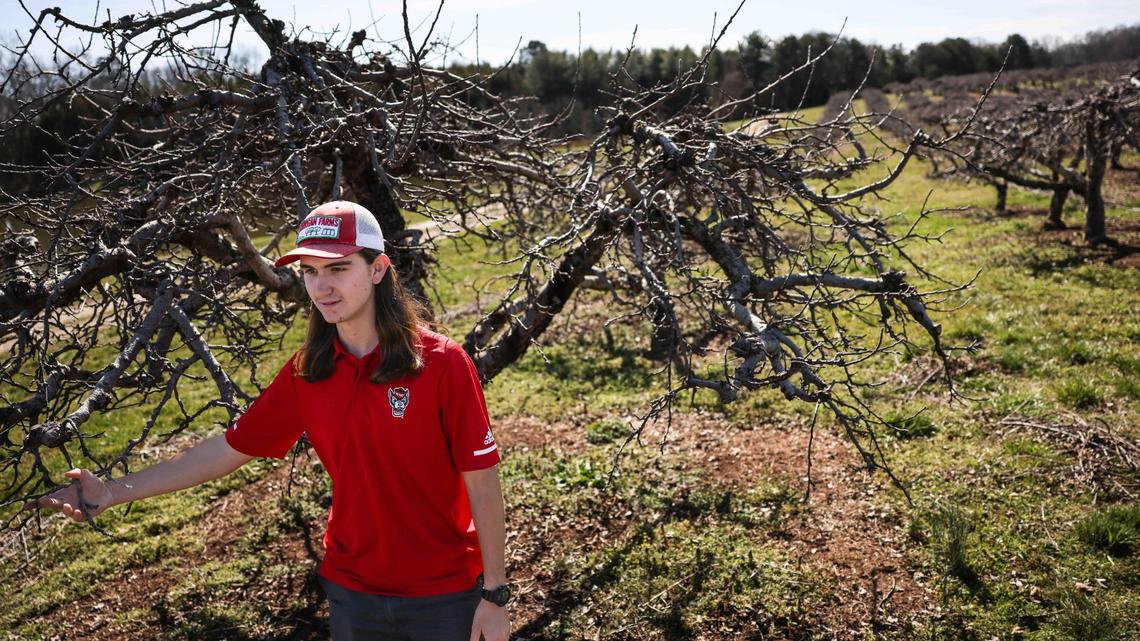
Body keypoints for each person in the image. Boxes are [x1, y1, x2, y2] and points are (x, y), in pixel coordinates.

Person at [31, 201, 512, 641]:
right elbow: (227, 449)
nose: (322, 287)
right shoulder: (309, 370)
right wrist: (116, 491)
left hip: (445, 596)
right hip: (352, 593)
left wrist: (494, 595)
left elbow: (482, 480)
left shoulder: (442, 363)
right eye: (311, 271)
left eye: (339, 269)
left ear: (379, 269)